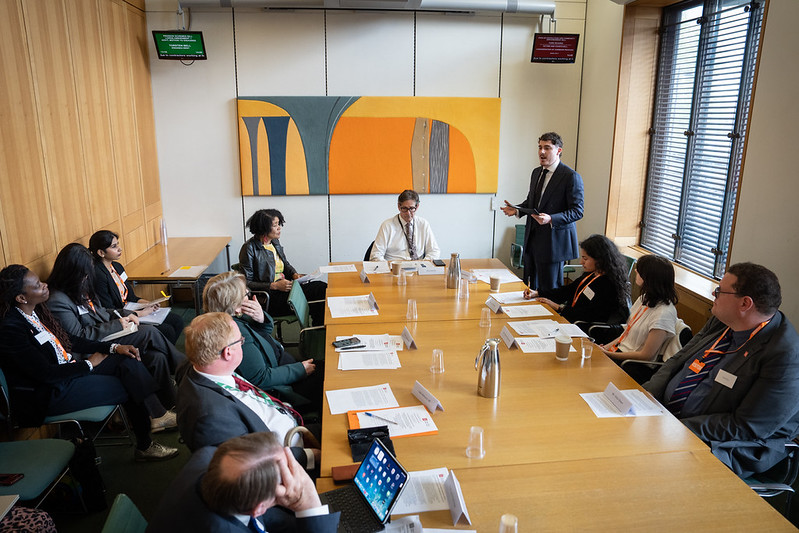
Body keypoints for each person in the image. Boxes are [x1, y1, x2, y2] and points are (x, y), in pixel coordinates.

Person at [0, 265, 179, 461]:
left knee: (127, 361)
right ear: (21, 298)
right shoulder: (11, 328)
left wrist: (112, 348)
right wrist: (89, 365)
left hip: (69, 372)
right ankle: (147, 441)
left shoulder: (36, 312)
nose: (44, 285)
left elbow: (70, 340)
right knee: (129, 383)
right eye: (37, 285)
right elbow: (45, 374)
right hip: (50, 392)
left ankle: (148, 435)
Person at [645, 263, 799, 477]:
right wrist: (644, 396)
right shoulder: (723, 320)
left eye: (719, 291)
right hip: (666, 421)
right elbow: (678, 360)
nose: (712, 293)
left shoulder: (785, 355)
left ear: (745, 303)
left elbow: (747, 427)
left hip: (722, 444)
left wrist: (675, 428)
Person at [45, 243, 184, 432]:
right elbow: (78, 337)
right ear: (71, 271)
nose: (87, 277)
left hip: (109, 338)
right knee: (149, 332)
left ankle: (169, 407)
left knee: (156, 357)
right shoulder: (58, 301)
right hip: (91, 351)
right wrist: (117, 325)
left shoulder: (78, 289)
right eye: (85, 273)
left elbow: (102, 311)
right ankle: (188, 370)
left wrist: (127, 315)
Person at [175, 312, 319, 470]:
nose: (243, 344)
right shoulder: (211, 416)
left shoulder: (206, 367)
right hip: (288, 458)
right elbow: (252, 467)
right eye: (241, 341)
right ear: (228, 352)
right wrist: (310, 456)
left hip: (293, 426)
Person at [146, 432, 339, 533]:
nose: (291, 472)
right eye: (285, 471)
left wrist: (307, 455)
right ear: (258, 509)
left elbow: (262, 457)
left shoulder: (208, 457)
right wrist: (309, 504)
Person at [202, 271, 323, 414]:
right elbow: (260, 377)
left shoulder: (234, 316)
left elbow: (264, 334)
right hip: (284, 387)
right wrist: (301, 370)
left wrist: (261, 319)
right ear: (235, 306)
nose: (249, 293)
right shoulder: (233, 333)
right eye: (245, 294)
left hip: (284, 366)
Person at [501, 132, 584, 291]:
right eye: (540, 147)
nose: (542, 152)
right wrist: (518, 210)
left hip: (554, 244)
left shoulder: (570, 176)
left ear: (558, 151)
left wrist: (551, 218)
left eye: (547, 148)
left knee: (549, 291)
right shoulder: (536, 173)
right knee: (529, 288)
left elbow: (577, 211)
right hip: (532, 240)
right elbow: (532, 203)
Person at [89, 230, 185, 345]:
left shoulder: (117, 267)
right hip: (122, 317)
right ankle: (165, 356)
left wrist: (149, 303)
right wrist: (141, 313)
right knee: (167, 330)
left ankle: (167, 353)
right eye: (114, 246)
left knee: (177, 321)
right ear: (101, 252)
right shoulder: (98, 275)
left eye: (118, 244)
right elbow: (109, 309)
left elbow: (131, 296)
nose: (119, 249)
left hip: (133, 308)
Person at [239, 209, 326, 326]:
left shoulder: (274, 242)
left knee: (321, 288)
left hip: (285, 288)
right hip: (269, 297)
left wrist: (294, 274)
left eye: (279, 224)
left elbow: (285, 264)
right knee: (317, 292)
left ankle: (318, 328)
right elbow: (246, 283)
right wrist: (274, 286)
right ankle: (316, 330)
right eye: (275, 225)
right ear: (263, 227)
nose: (279, 228)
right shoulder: (249, 248)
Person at [523, 234, 630, 326]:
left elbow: (591, 314)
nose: (581, 262)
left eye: (585, 258)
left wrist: (559, 308)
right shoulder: (592, 274)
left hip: (583, 327)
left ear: (600, 259)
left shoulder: (608, 284)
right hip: (571, 319)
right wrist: (537, 293)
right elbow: (569, 290)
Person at [600, 254, 679, 362]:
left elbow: (646, 355)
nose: (636, 271)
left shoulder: (664, 313)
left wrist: (609, 354)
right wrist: (604, 348)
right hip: (619, 352)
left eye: (640, 270)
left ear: (649, 278)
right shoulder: (644, 298)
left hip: (631, 364)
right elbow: (626, 334)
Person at [370, 189, 441, 262]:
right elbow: (376, 255)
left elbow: (434, 251)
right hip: (394, 268)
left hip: (418, 268)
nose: (408, 213)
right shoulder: (387, 225)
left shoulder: (423, 224)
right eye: (404, 208)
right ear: (398, 206)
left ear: (417, 207)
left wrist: (423, 264)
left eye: (412, 208)